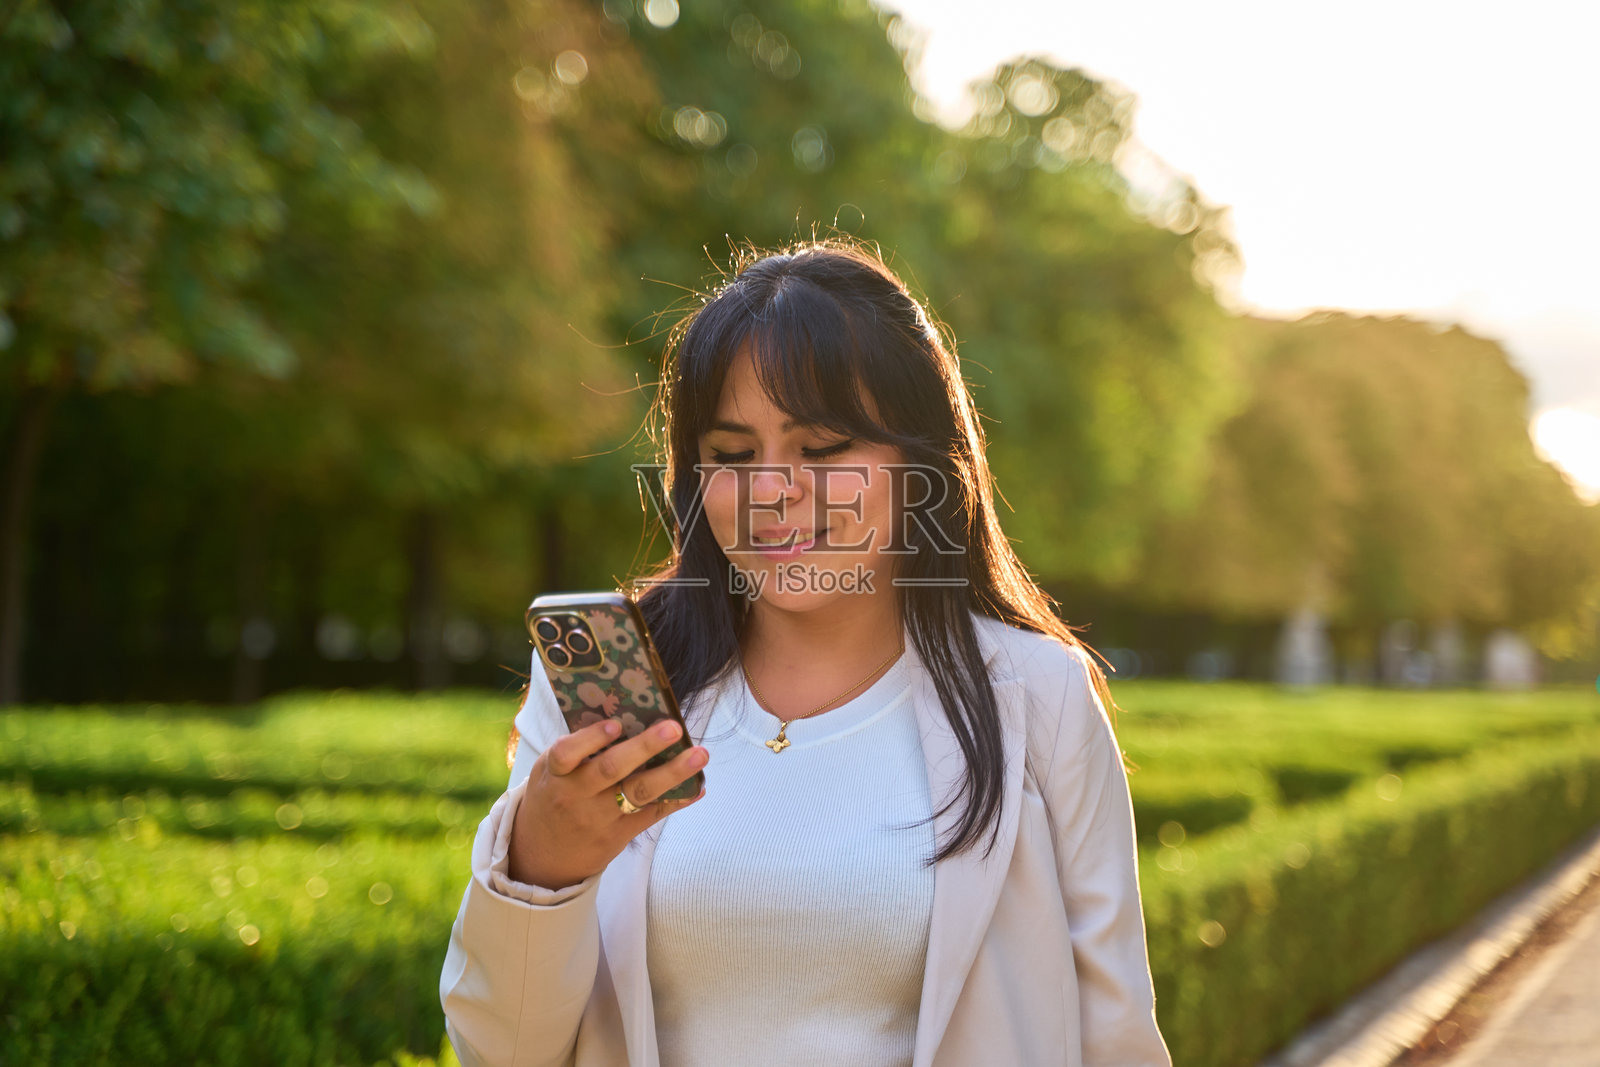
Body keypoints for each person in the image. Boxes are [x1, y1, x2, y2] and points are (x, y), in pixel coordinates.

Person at [439, 239, 1171, 1067]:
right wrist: (540, 869)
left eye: (822, 449)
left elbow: (1116, 1037)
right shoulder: (610, 688)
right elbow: (498, 1051)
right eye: (732, 455)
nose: (773, 491)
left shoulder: (1039, 695)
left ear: (921, 461)